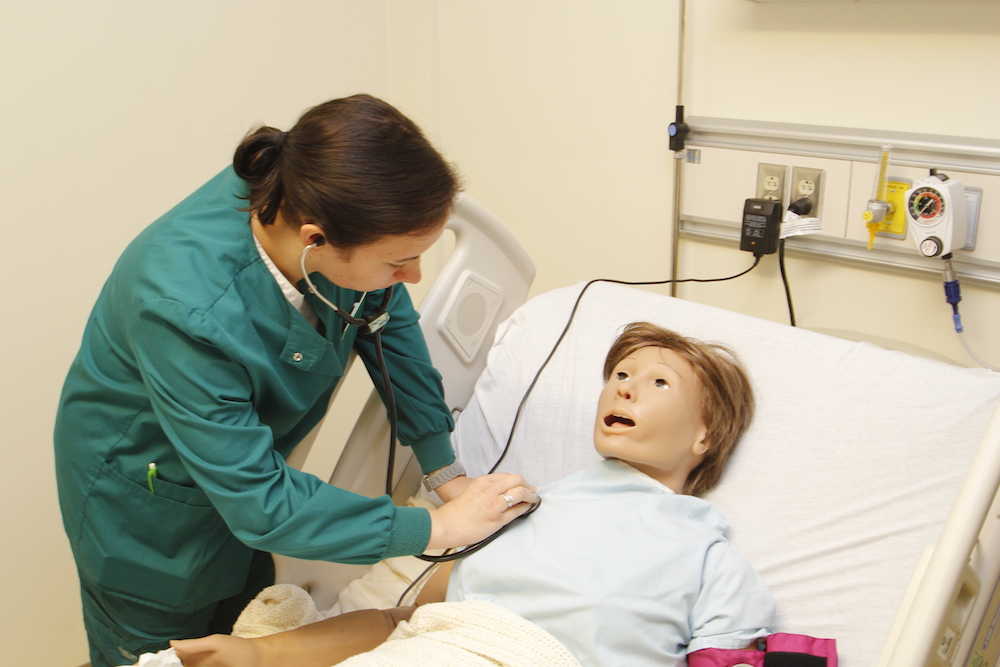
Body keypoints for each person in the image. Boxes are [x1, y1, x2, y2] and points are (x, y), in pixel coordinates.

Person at [54, 93, 537, 667]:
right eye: (397, 262)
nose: (413, 276)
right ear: (315, 240)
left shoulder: (316, 196)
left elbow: (387, 320)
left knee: (241, 628)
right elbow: (262, 503)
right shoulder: (182, 302)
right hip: (145, 508)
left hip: (241, 486)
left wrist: (442, 466)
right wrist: (436, 527)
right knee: (164, 655)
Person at [170, 321, 775, 667]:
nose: (624, 389)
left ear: (705, 435)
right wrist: (259, 655)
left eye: (658, 381)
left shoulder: (706, 557)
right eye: (620, 374)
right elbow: (405, 622)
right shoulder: (514, 510)